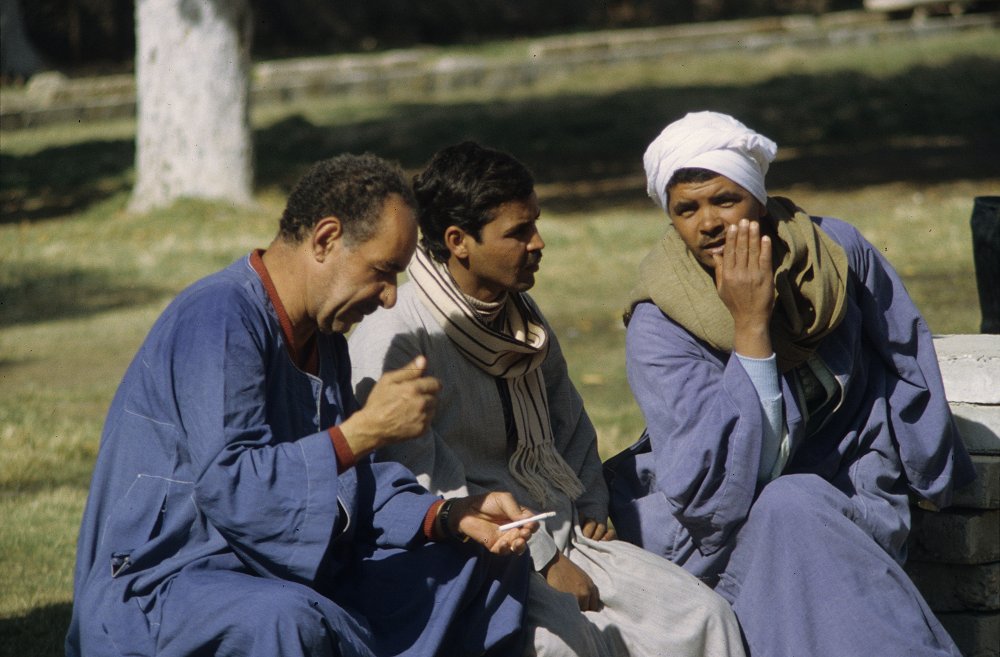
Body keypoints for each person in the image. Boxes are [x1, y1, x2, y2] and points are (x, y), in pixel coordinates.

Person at [66, 154, 544, 657]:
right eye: (383, 272)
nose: (388, 298)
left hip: (283, 570)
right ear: (325, 239)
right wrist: (363, 433)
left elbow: (351, 487)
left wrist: (450, 516)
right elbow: (234, 486)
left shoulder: (325, 337)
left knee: (483, 560)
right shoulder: (219, 318)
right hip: (169, 583)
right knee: (286, 619)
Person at [349, 141, 746, 657]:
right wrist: (541, 558)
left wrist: (590, 504)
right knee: (568, 647)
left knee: (704, 617)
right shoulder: (400, 335)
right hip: (480, 554)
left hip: (568, 532)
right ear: (458, 241)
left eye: (535, 224)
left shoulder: (520, 315)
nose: (538, 243)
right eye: (518, 232)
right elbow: (422, 480)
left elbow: (570, 422)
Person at [604, 111, 976, 657]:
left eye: (724, 200)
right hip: (718, 531)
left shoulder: (834, 254)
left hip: (852, 493)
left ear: (757, 195)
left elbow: (906, 357)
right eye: (687, 209)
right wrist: (751, 328)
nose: (707, 223)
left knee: (798, 506)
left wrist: (934, 479)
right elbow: (711, 494)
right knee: (789, 505)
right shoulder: (661, 320)